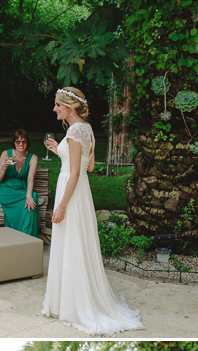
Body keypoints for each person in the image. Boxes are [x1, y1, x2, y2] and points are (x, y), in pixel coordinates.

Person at [42, 87, 143, 335]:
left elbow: (77, 172)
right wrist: (60, 151)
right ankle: (68, 299)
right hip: (80, 191)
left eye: (58, 105)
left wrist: (62, 205)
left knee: (72, 242)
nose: (54, 109)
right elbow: (90, 166)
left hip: (71, 192)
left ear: (70, 106)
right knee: (75, 242)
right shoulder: (85, 129)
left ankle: (74, 305)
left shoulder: (75, 131)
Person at [0, 129, 40, 237]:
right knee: (29, 200)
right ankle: (18, 235)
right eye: (18, 141)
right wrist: (4, 167)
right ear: (14, 142)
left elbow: (30, 178)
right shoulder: (6, 154)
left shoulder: (33, 158)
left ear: (27, 143)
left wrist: (28, 195)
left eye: (24, 141)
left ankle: (27, 236)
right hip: (7, 192)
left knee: (33, 197)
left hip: (22, 190)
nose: (21, 144)